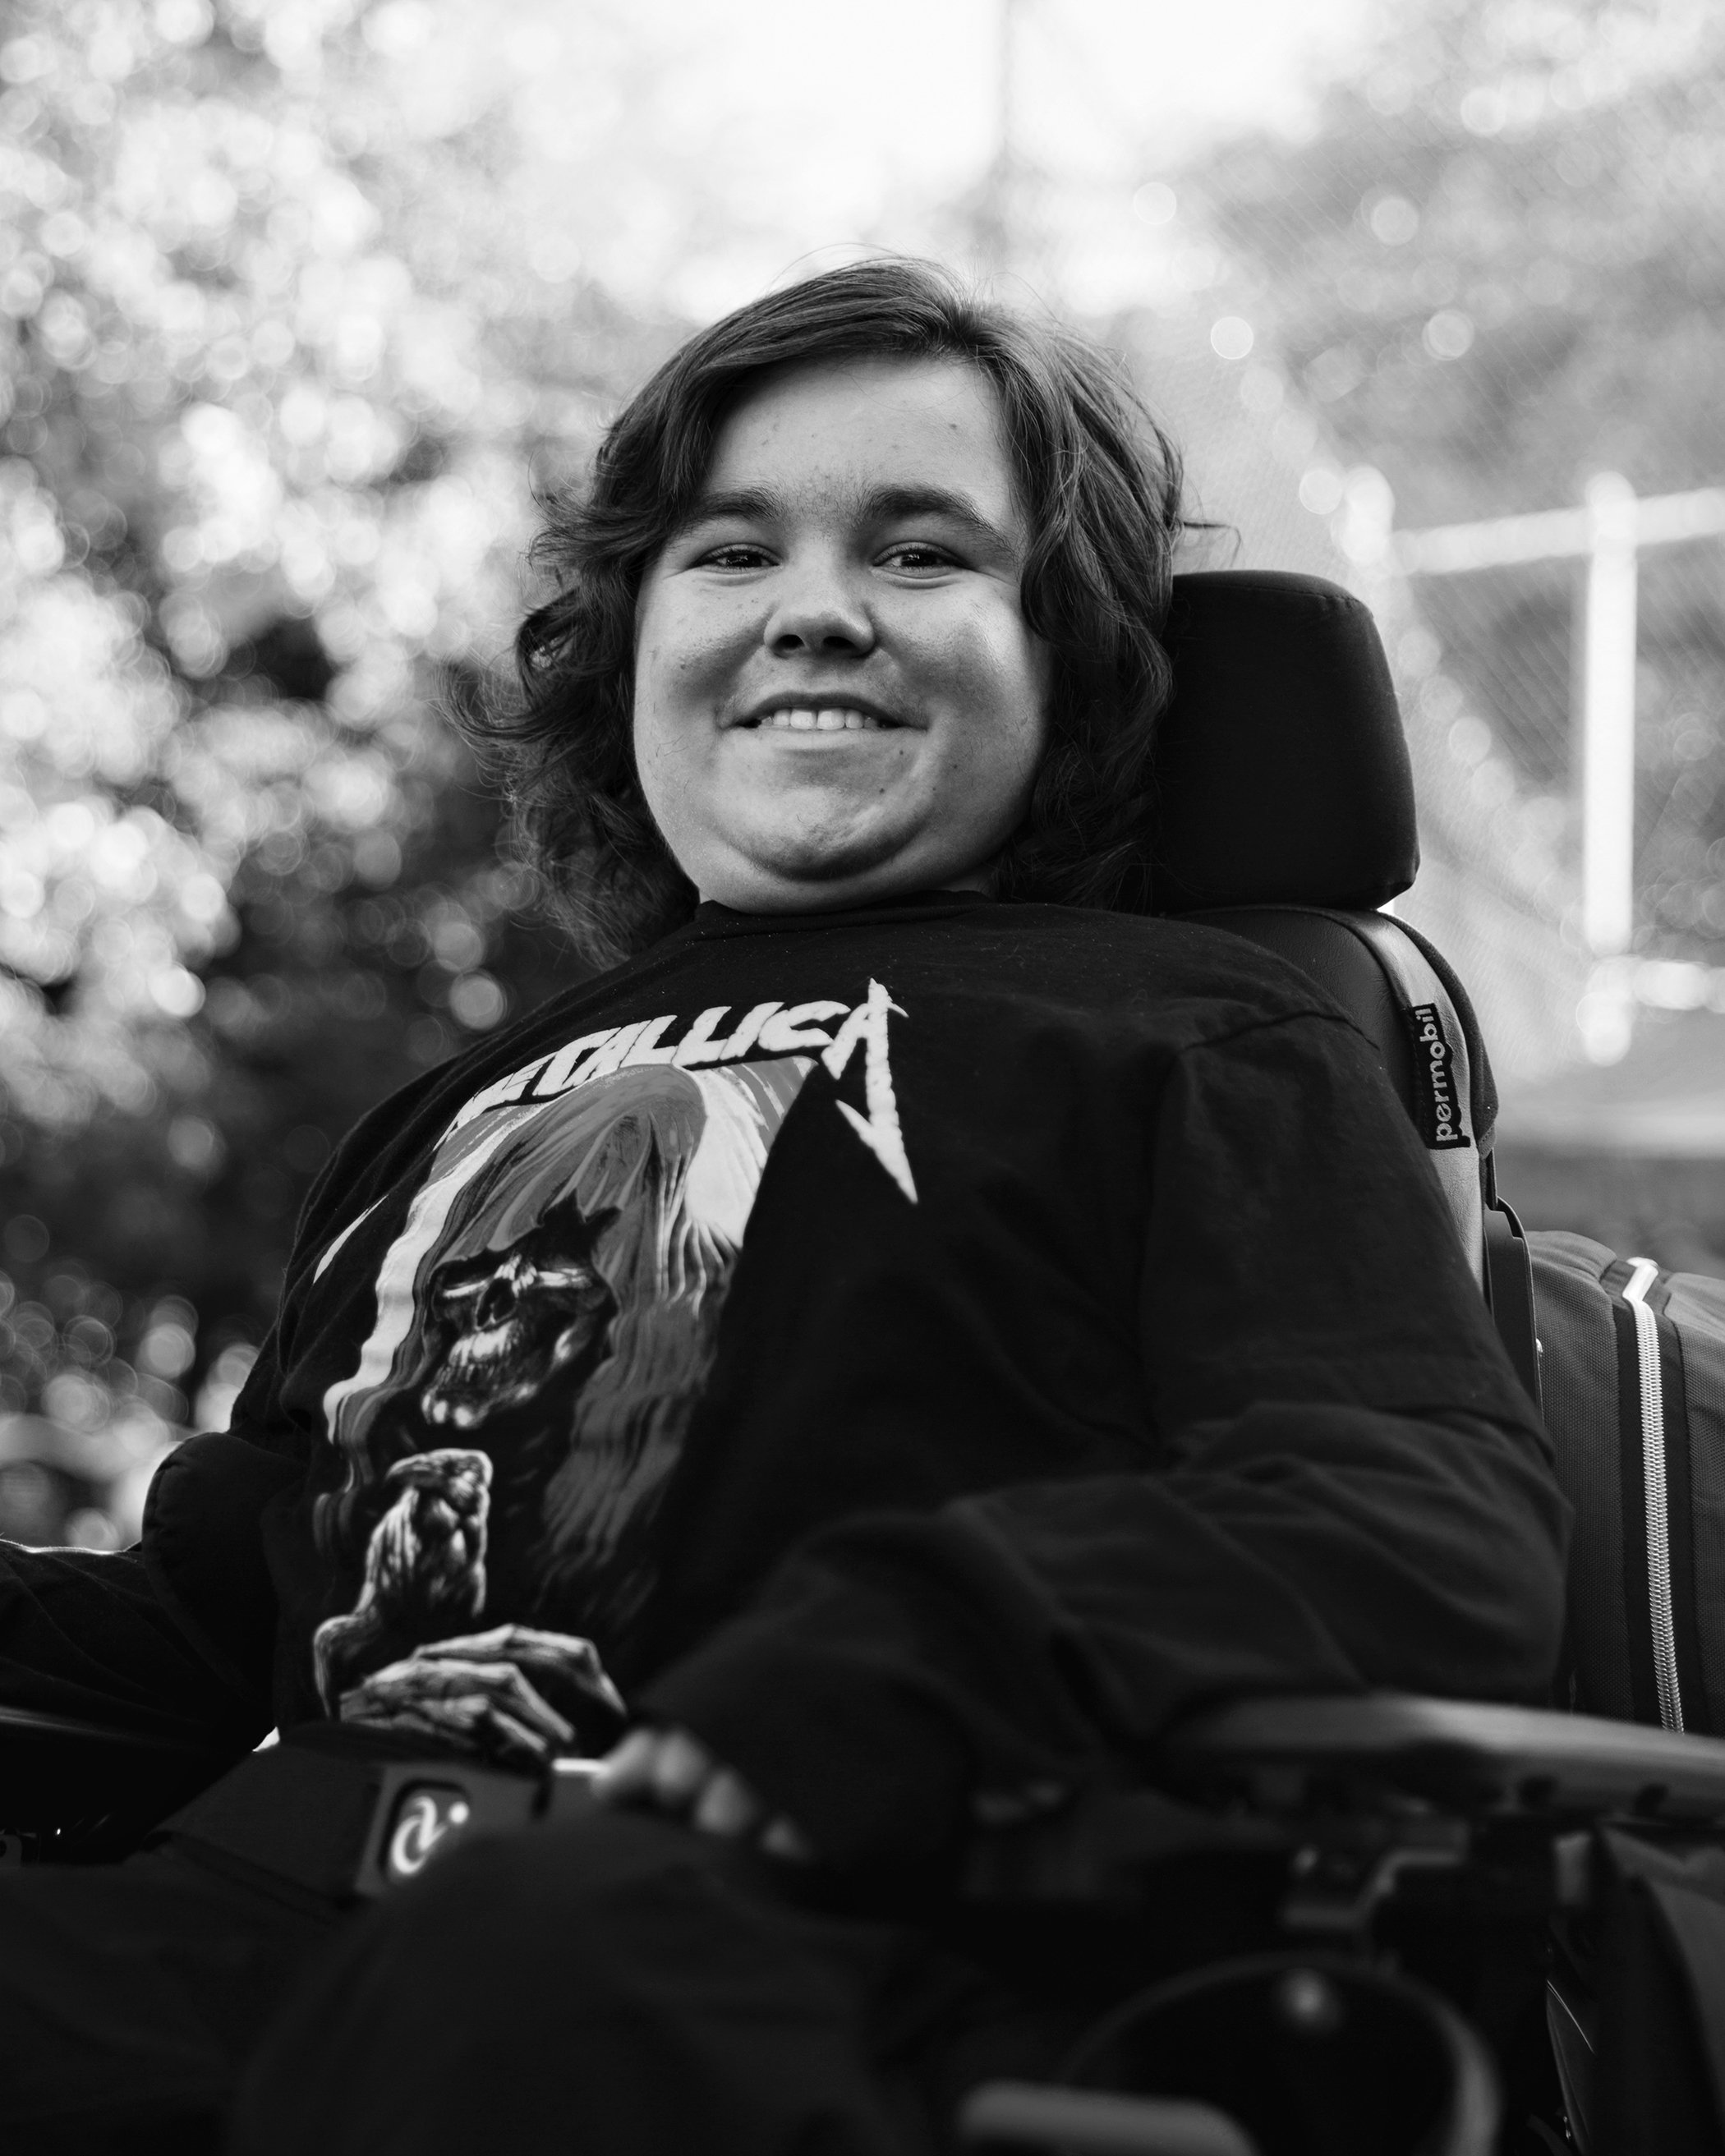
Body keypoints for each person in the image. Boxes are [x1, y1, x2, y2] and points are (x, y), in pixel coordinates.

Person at [0, 259, 1566, 2155]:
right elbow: (216, 1612)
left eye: (921, 555)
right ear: (633, 641)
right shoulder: (458, 1103)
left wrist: (900, 1663)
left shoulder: (1201, 1035)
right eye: (730, 553)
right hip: (273, 1918)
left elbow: (1416, 1517)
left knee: (512, 1977)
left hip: (813, 1945)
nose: (815, 609)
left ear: (1062, 658)